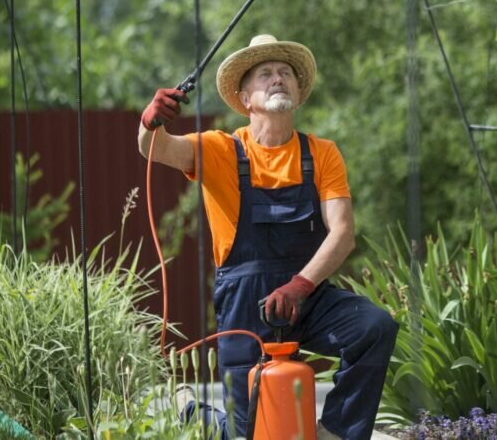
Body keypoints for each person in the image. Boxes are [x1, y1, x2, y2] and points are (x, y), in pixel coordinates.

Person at [138, 34, 399, 440]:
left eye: (286, 73)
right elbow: (154, 150)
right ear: (245, 98)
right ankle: (190, 410)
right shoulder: (220, 150)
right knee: (249, 435)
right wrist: (149, 122)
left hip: (306, 295)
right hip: (244, 303)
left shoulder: (321, 153)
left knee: (374, 326)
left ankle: (334, 434)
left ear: (298, 90)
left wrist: (300, 285)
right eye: (266, 74)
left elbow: (343, 233)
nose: (278, 79)